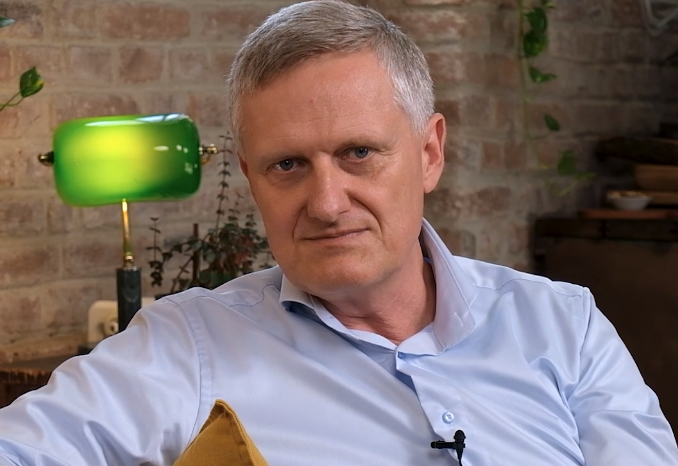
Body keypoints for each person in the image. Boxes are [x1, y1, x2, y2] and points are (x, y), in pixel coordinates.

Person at [0, 1, 676, 464]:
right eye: (288, 165)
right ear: (250, 177)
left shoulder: (564, 325)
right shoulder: (187, 347)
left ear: (430, 153)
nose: (326, 204)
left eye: (358, 153)